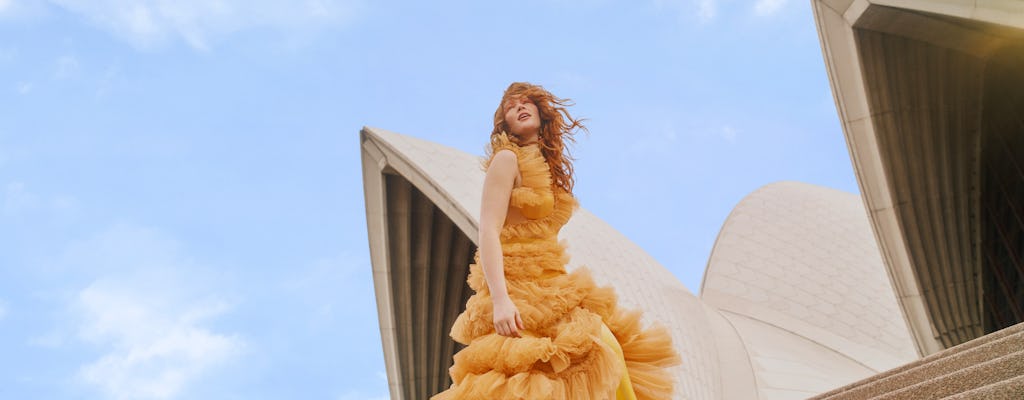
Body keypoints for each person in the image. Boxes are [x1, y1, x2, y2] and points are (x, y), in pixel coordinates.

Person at [431, 82, 681, 400]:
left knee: (609, 353)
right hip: (518, 287)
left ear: (540, 110)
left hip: (552, 285)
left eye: (525, 102)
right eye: (510, 106)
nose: (519, 107)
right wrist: (500, 301)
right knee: (534, 378)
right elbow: (488, 231)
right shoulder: (507, 160)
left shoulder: (549, 170)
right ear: (504, 123)